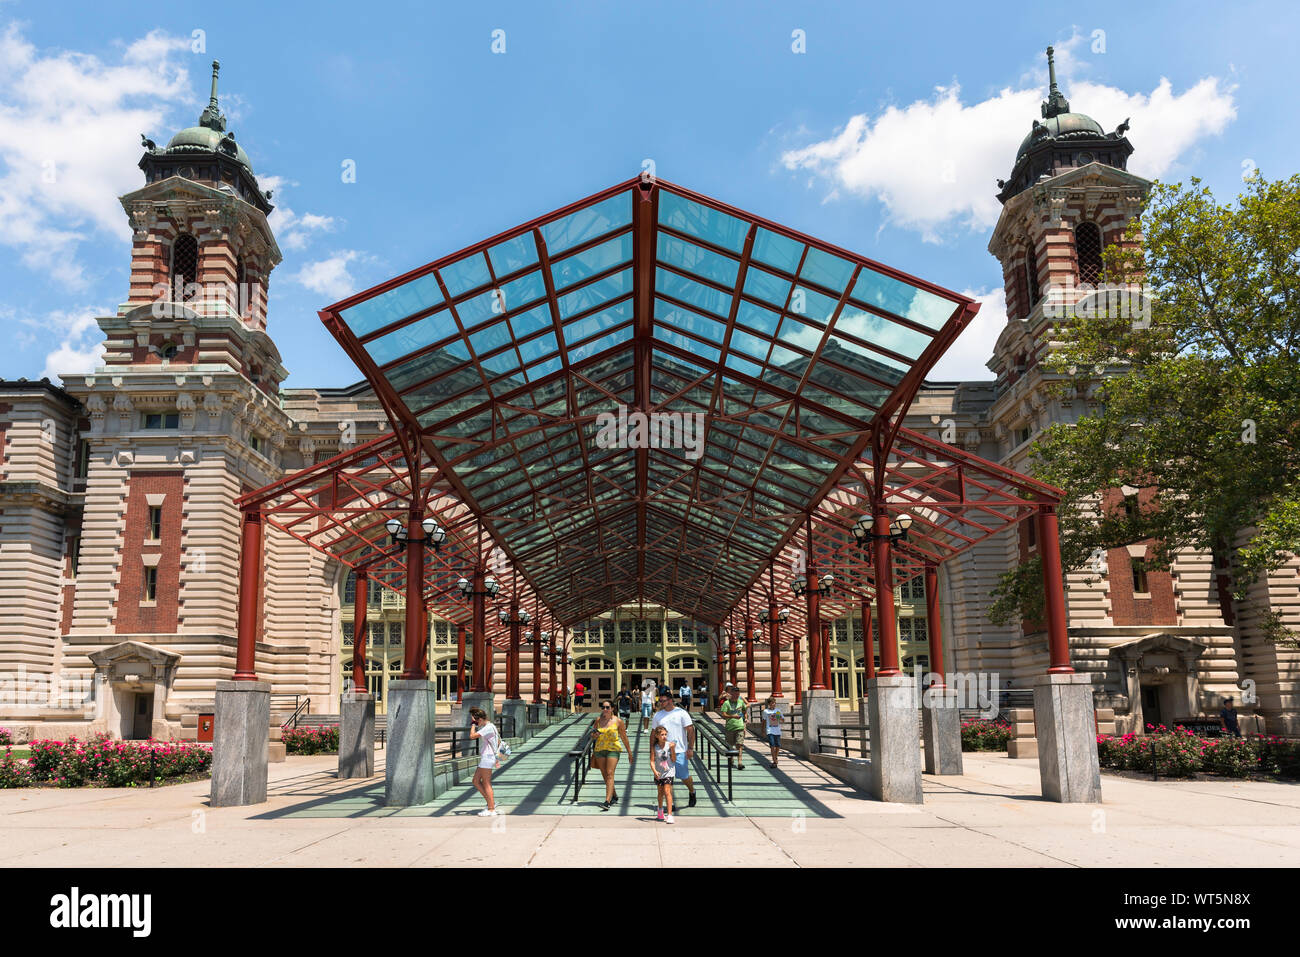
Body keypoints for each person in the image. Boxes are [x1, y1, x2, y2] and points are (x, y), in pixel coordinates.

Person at [652, 689, 697, 808]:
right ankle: (670, 803)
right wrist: (652, 750)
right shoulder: (658, 715)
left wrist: (691, 748)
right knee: (667, 779)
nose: (661, 703)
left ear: (670, 700)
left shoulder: (681, 713)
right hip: (663, 753)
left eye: (663, 700)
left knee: (684, 776)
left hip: (680, 751)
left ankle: (692, 791)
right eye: (660, 701)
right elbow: (653, 733)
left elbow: (690, 730)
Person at [590, 699, 632, 810]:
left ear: (612, 708)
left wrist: (629, 752)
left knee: (609, 773)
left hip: (613, 749)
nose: (605, 709)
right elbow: (593, 735)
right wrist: (594, 735)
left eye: (607, 707)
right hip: (599, 750)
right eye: (603, 707)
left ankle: (607, 801)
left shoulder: (618, 721)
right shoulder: (598, 720)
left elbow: (624, 737)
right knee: (605, 775)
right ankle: (614, 795)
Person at [468, 707, 503, 816]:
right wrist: (496, 759)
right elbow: (497, 742)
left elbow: (472, 736)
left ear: (481, 719)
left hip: (487, 758)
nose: (477, 723)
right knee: (475, 781)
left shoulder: (487, 728)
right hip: (488, 757)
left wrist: (472, 725)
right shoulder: (491, 726)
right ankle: (490, 803)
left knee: (486, 783)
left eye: (477, 721)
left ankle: (491, 809)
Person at [649, 724, 676, 823]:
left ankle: (669, 815)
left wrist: (673, 749)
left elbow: (674, 759)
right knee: (660, 793)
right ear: (657, 736)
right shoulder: (654, 747)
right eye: (662, 735)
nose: (664, 736)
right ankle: (660, 811)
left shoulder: (670, 745)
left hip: (669, 772)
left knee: (667, 791)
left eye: (665, 734)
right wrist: (655, 771)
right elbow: (652, 761)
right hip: (659, 773)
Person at [719, 685, 748, 770]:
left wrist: (745, 718)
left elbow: (744, 710)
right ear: (731, 694)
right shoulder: (726, 703)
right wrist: (733, 716)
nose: (736, 696)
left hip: (740, 727)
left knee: (739, 745)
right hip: (730, 728)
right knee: (730, 745)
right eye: (735, 695)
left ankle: (739, 763)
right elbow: (723, 715)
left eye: (738, 695)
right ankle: (731, 759)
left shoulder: (740, 702)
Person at [761, 697, 783, 768]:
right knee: (772, 745)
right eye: (772, 703)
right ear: (769, 704)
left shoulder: (777, 711)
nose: (774, 704)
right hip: (770, 730)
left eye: (774, 703)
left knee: (778, 746)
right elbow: (763, 721)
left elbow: (782, 720)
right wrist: (763, 730)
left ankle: (775, 757)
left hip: (777, 730)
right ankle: (774, 761)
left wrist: (780, 717)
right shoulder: (765, 711)